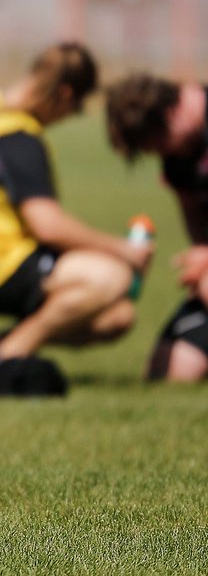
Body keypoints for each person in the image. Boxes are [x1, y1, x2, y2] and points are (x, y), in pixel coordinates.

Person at [0, 42, 153, 393]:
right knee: (113, 277)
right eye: (76, 108)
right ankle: (4, 359)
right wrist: (123, 250)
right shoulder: (17, 136)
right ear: (64, 93)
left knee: (117, 317)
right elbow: (48, 225)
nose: (70, 116)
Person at [105, 72, 208, 382]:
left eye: (158, 143)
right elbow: (194, 212)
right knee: (169, 372)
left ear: (171, 114)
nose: (160, 154)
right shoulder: (179, 155)